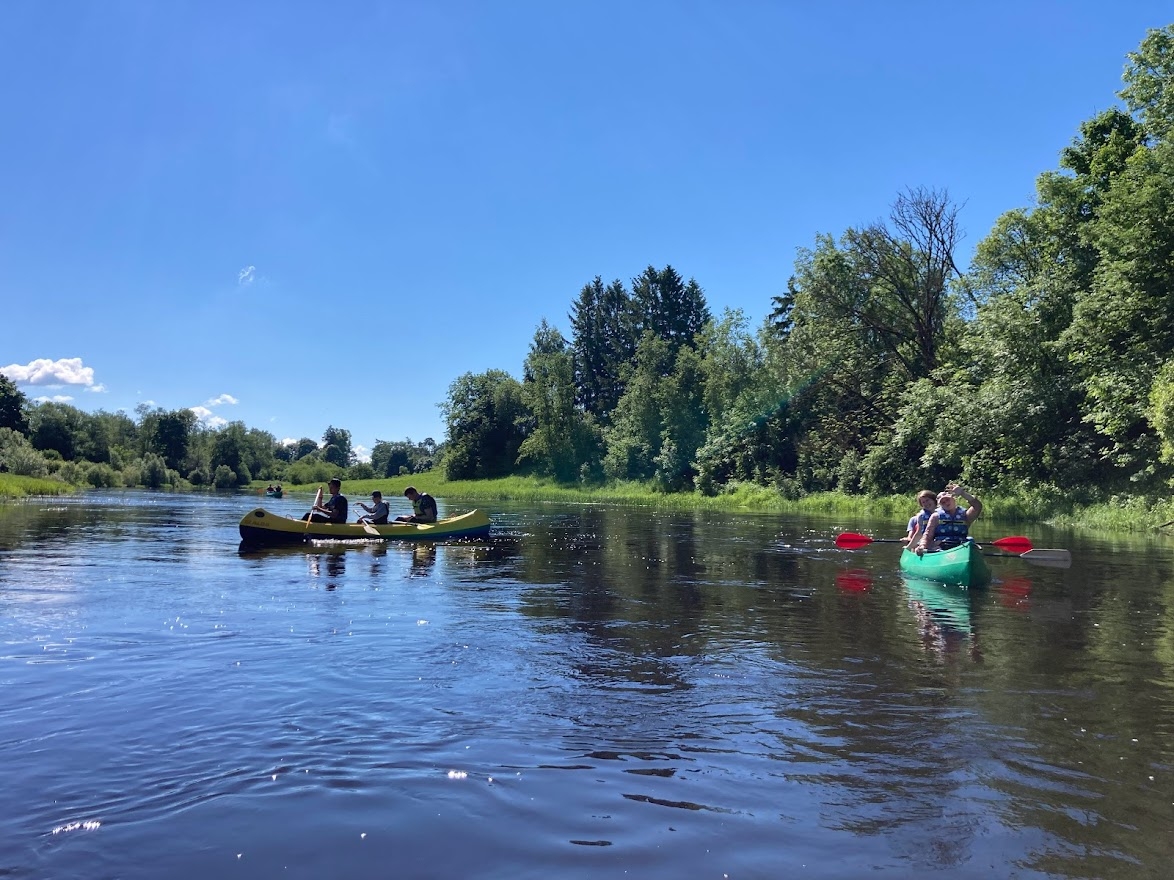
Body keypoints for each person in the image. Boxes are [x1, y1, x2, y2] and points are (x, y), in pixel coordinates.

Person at [917, 483, 983, 553]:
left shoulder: (965, 515)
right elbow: (927, 535)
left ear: (953, 499)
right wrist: (922, 546)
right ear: (940, 505)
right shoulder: (935, 516)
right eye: (943, 502)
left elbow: (977, 506)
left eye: (947, 500)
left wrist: (963, 493)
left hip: (961, 547)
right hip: (942, 547)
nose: (946, 503)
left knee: (971, 541)